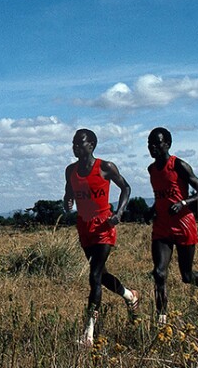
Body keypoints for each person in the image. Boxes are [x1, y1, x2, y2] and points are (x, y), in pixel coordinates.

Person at [63, 128, 140, 347]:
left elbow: (125, 187)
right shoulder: (70, 170)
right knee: (102, 275)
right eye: (74, 143)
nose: (76, 147)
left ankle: (88, 334)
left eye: (80, 143)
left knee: (94, 276)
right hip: (84, 227)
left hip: (104, 226)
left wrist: (119, 213)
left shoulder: (105, 167)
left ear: (92, 145)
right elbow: (68, 193)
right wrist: (67, 202)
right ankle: (130, 296)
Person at [146, 127, 198, 326]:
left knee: (186, 276)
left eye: (157, 142)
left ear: (167, 144)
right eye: (149, 143)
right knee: (159, 273)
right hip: (162, 226)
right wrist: (153, 208)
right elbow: (163, 196)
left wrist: (184, 203)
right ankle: (161, 320)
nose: (152, 147)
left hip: (183, 224)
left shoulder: (179, 165)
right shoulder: (151, 170)